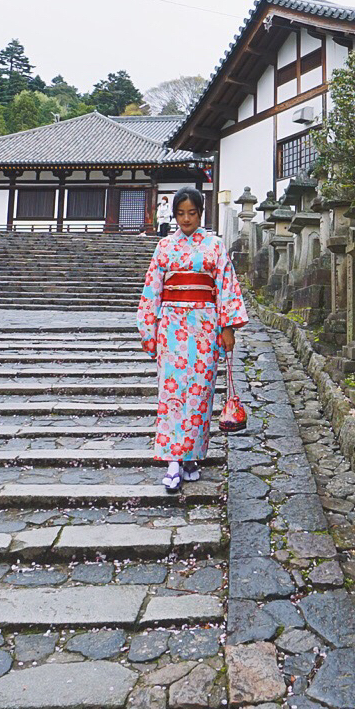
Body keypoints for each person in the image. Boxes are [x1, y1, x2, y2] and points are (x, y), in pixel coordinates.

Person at [136, 186, 247, 493]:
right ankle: (173, 460)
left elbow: (226, 285)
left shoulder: (214, 246)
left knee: (199, 393)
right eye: (181, 214)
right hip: (171, 324)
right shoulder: (164, 248)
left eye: (192, 213)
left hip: (205, 325)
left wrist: (228, 328)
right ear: (174, 216)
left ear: (201, 213)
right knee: (171, 393)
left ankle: (191, 457)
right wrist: (150, 329)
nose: (186, 219)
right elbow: (152, 290)